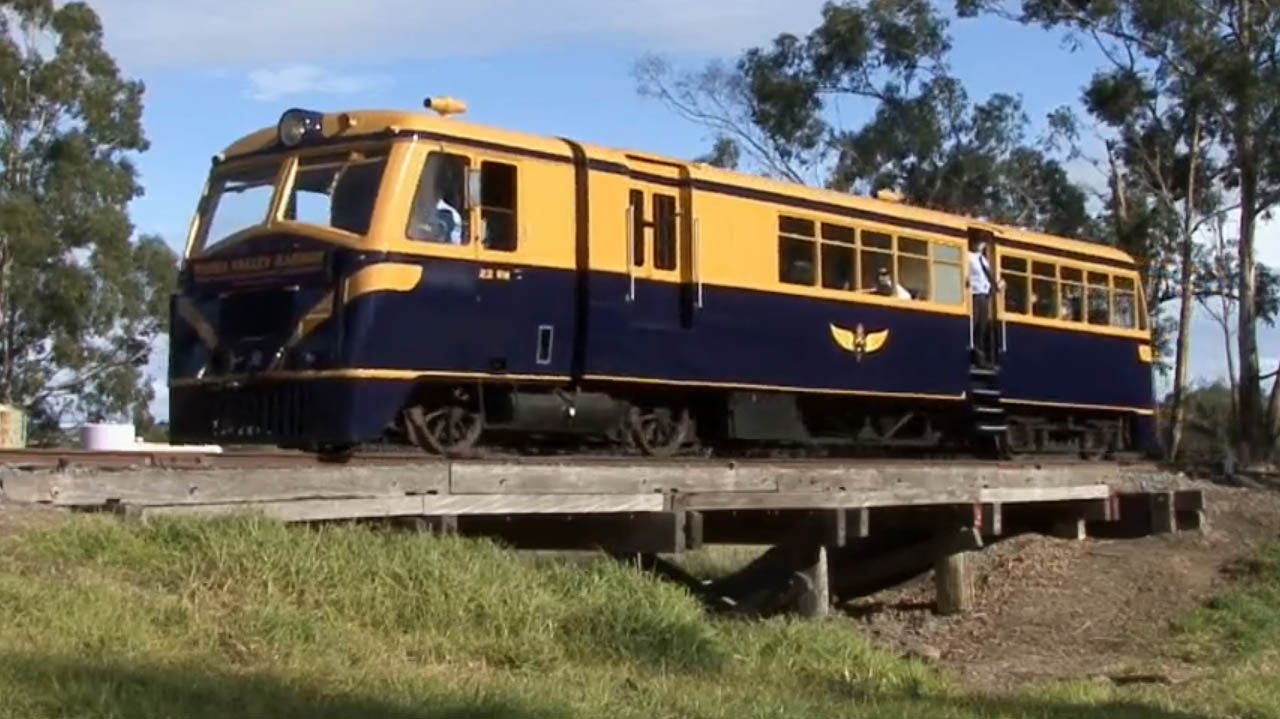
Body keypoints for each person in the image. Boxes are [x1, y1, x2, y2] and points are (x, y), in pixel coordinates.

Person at [967, 235, 1003, 366]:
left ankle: (981, 355)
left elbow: (987, 276)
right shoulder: (968, 257)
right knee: (975, 324)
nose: (982, 245)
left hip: (985, 294)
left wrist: (996, 286)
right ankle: (974, 354)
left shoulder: (983, 260)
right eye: (980, 242)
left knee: (982, 326)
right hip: (975, 294)